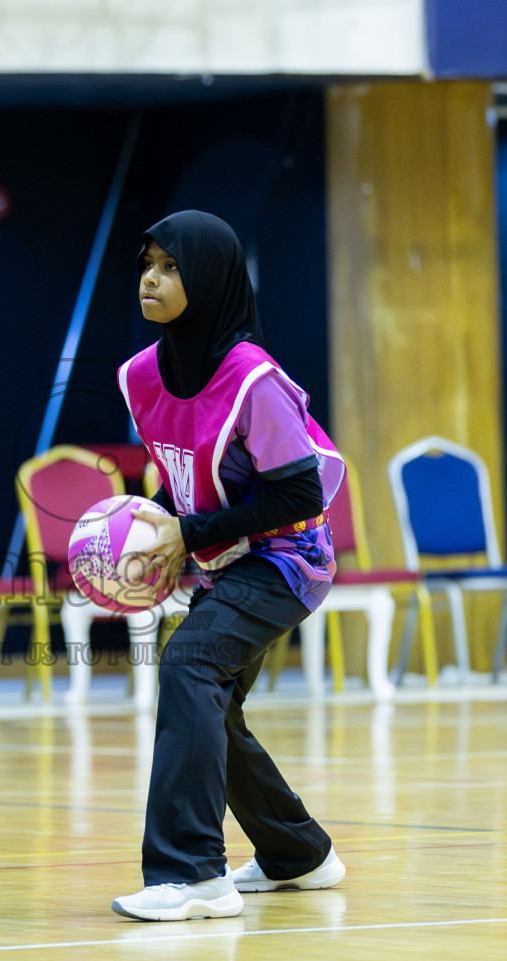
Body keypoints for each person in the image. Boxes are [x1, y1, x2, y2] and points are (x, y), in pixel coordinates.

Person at [110, 210, 348, 922]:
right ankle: (297, 853)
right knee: (211, 705)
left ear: (210, 279)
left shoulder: (255, 381)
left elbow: (299, 491)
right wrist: (151, 529)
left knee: (189, 667)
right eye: (147, 265)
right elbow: (182, 477)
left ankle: (192, 875)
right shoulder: (143, 376)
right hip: (224, 560)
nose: (151, 279)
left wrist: (189, 531)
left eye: (171, 267)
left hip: (288, 561)